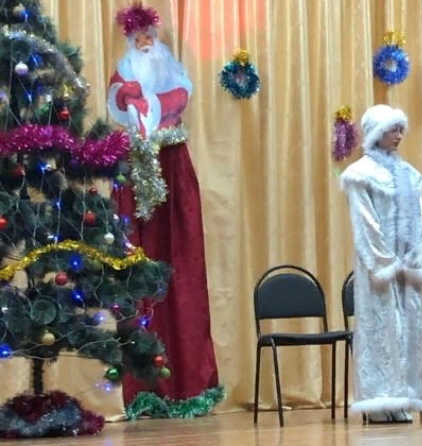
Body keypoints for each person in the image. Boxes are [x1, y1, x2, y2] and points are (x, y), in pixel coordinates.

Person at [107, 3, 220, 406]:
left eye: (149, 37)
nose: (144, 43)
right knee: (135, 261)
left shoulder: (174, 74)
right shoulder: (123, 75)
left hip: (171, 167)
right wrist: (132, 100)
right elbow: (119, 99)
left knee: (182, 262)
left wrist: (148, 105)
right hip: (136, 169)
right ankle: (141, 384)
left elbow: (176, 98)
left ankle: (189, 379)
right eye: (137, 38)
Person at [340, 104, 422, 424]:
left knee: (407, 330)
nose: (399, 135)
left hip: (407, 267)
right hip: (380, 267)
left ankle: (400, 397)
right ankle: (379, 401)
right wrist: (385, 262)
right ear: (377, 133)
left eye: (400, 129)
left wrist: (415, 257)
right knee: (382, 328)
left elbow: (419, 220)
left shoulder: (409, 175)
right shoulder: (361, 174)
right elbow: (365, 223)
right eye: (392, 129)